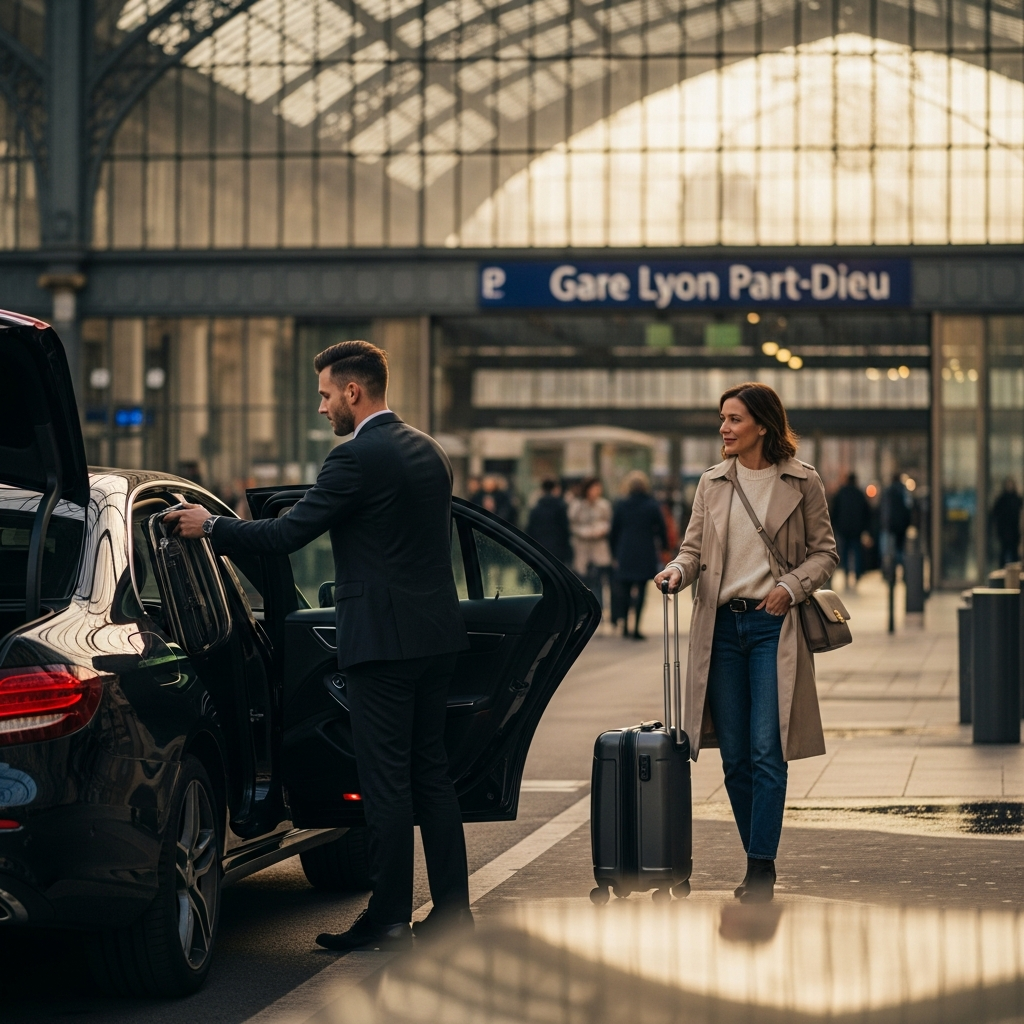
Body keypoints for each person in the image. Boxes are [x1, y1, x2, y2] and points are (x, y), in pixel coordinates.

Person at [165, 340, 472, 951]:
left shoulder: (353, 457)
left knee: (385, 784)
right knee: (431, 778)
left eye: (327, 395)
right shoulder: (428, 450)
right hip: (436, 636)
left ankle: (388, 919)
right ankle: (452, 914)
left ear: (353, 391)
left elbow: (286, 534)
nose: (323, 407)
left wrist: (212, 526)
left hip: (380, 642)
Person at [655, 382, 837, 903]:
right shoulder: (712, 483)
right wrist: (676, 571)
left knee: (766, 750)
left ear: (762, 424)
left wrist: (790, 587)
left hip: (772, 627)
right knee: (734, 756)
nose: (724, 428)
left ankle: (760, 866)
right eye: (722, 419)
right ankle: (756, 854)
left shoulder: (802, 481)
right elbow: (692, 550)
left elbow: (825, 553)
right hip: (719, 629)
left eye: (734, 419)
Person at [611, 470, 667, 640]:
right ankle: (636, 628)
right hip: (645, 551)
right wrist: (665, 547)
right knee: (641, 590)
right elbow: (661, 528)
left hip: (626, 551)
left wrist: (614, 552)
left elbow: (614, 530)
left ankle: (625, 626)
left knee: (625, 590)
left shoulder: (621, 504)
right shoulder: (652, 505)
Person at [569, 476, 613, 617]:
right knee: (583, 581)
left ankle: (599, 611)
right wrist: (587, 532)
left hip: (599, 549)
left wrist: (600, 530)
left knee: (598, 582)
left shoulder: (603, 505)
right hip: (582, 549)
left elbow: (609, 522)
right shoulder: (577, 505)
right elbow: (572, 525)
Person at [830, 472, 870, 587]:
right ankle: (857, 574)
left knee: (845, 552)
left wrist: (834, 526)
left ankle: (847, 574)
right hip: (857, 530)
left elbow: (834, 511)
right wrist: (865, 528)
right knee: (857, 552)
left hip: (843, 529)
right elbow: (866, 512)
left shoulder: (841, 493)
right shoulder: (859, 494)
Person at [525, 478, 573, 563]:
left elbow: (530, 529)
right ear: (555, 489)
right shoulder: (561, 507)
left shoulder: (536, 508)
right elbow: (565, 529)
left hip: (540, 548)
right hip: (558, 548)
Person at [879, 473, 912, 569]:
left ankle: (891, 569)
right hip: (902, 524)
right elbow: (908, 507)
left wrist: (884, 523)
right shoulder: (904, 492)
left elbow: (884, 509)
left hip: (890, 525)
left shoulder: (888, 492)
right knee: (901, 548)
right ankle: (902, 566)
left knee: (889, 550)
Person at [991, 478, 1022, 567]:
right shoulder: (1002, 499)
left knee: (1014, 552)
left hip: (1014, 530)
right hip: (1004, 530)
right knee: (1004, 551)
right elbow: (995, 513)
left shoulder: (1017, 499)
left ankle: (1015, 570)